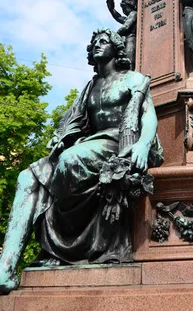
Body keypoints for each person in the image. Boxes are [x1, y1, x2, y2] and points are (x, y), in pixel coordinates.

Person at [0, 29, 163, 294]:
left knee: (69, 161)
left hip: (116, 143)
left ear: (117, 48)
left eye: (103, 41)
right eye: (94, 43)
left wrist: (143, 144)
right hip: (88, 145)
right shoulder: (90, 87)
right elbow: (73, 123)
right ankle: (5, 270)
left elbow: (148, 116)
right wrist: (60, 137)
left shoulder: (133, 79)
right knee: (26, 177)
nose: (96, 45)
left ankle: (63, 240)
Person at [106, 0, 137, 69]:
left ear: (130, 5)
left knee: (129, 62)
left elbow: (126, 26)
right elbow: (118, 17)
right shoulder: (129, 16)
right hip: (126, 40)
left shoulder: (133, 13)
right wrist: (111, 8)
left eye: (124, 8)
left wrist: (114, 36)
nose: (123, 11)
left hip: (131, 40)